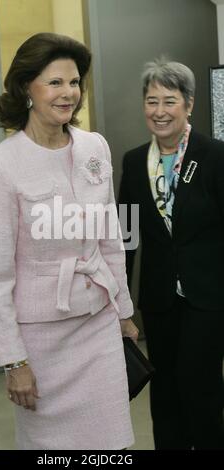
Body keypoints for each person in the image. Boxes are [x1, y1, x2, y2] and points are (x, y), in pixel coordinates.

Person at [0, 32, 138, 450]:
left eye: (74, 82)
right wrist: (15, 361)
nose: (69, 93)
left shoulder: (94, 147)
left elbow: (109, 240)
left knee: (113, 446)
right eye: (55, 83)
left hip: (99, 325)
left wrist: (122, 313)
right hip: (41, 341)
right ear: (26, 87)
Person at [118, 58, 224, 450]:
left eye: (169, 101)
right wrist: (122, 303)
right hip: (159, 298)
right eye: (151, 101)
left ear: (189, 104)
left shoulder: (214, 156)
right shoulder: (132, 162)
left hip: (207, 297)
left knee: (201, 386)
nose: (159, 111)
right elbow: (126, 236)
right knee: (163, 389)